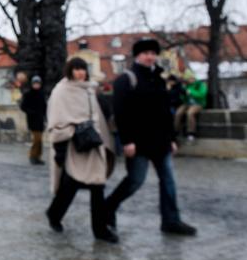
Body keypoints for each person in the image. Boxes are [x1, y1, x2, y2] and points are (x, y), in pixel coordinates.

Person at [105, 38, 197, 236]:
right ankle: (108, 207)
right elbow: (121, 113)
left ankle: (171, 220)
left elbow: (165, 112)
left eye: (153, 53)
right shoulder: (126, 79)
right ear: (138, 56)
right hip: (138, 142)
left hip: (161, 141)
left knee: (168, 181)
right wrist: (127, 141)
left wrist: (172, 139)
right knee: (135, 181)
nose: (150, 57)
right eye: (146, 53)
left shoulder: (159, 79)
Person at [45, 57, 118, 244]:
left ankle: (100, 230)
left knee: (97, 186)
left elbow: (97, 116)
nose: (80, 73)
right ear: (70, 71)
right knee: (70, 186)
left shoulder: (89, 90)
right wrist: (71, 132)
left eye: (82, 69)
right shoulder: (61, 91)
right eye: (76, 69)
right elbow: (57, 119)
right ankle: (54, 214)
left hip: (93, 144)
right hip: (73, 146)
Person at [20, 75, 47, 165]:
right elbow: (23, 106)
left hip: (40, 120)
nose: (36, 85)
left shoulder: (41, 94)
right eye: (35, 83)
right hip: (32, 120)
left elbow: (44, 107)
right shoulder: (28, 94)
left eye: (38, 83)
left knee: (40, 140)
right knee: (37, 139)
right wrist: (31, 112)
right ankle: (32, 156)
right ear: (32, 84)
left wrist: (45, 117)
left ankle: (38, 157)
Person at [174, 71, 207, 141]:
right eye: (188, 79)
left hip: (198, 103)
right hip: (187, 103)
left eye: (190, 78)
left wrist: (190, 92)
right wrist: (182, 94)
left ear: (193, 77)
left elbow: (202, 94)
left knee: (190, 113)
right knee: (178, 113)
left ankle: (191, 133)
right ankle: (175, 131)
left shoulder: (200, 84)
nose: (189, 80)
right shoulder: (186, 85)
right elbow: (183, 98)